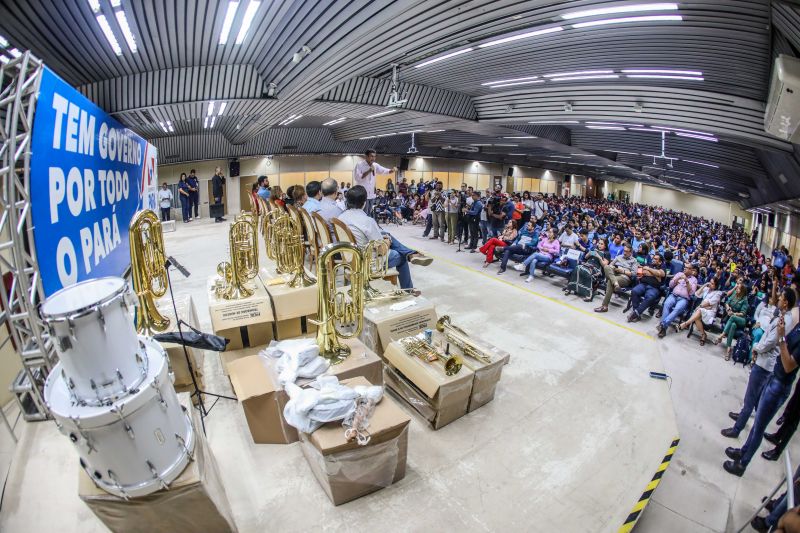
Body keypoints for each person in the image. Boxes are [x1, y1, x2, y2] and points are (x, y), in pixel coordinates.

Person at [723, 290, 799, 477]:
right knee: (757, 422)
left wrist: (781, 337)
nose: (778, 299)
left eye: (782, 298)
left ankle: (742, 464)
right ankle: (743, 451)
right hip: (774, 376)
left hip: (779, 384)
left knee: (759, 427)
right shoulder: (796, 327)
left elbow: (789, 365)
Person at [337, 186, 431, 290]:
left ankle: (411, 254)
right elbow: (382, 250)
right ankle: (408, 287)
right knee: (400, 256)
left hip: (349, 258)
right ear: (364, 202)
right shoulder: (367, 221)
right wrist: (388, 241)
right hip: (367, 262)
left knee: (385, 233)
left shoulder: (340, 218)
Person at [594, 243, 638, 313]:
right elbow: (610, 266)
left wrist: (622, 271)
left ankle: (604, 306)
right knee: (606, 266)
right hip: (614, 273)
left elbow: (634, 274)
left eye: (627, 251)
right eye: (624, 251)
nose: (625, 252)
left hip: (624, 277)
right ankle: (616, 284)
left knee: (609, 282)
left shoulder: (634, 261)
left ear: (631, 252)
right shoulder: (619, 257)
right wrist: (614, 268)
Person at [679, 277, 723, 345]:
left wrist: (700, 306)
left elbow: (709, 303)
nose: (710, 284)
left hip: (710, 314)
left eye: (712, 284)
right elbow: (697, 294)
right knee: (697, 315)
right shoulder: (706, 289)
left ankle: (685, 324)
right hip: (702, 310)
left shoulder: (718, 293)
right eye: (710, 282)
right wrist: (705, 285)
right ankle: (703, 334)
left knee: (698, 311)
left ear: (716, 286)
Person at [714, 278, 750, 360]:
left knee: (733, 318)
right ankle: (728, 350)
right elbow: (727, 302)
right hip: (732, 319)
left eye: (738, 288)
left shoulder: (745, 299)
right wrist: (728, 308)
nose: (736, 289)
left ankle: (721, 335)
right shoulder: (734, 294)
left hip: (741, 320)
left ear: (742, 291)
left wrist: (734, 313)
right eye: (737, 288)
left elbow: (743, 313)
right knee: (733, 325)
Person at [657, 265, 698, 338]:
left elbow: (691, 293)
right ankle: (663, 327)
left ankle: (663, 325)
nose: (684, 269)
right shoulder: (679, 274)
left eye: (687, 268)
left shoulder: (694, 280)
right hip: (673, 295)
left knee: (677, 309)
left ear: (691, 270)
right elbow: (670, 285)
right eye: (684, 267)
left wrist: (686, 281)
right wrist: (678, 278)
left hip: (683, 299)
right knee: (666, 304)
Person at [352, 149, 397, 215]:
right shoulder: (360, 165)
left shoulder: (375, 165)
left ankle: (368, 224)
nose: (373, 158)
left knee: (369, 213)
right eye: (371, 156)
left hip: (372, 195)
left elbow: (384, 170)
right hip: (363, 194)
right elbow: (357, 178)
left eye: (374, 156)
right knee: (364, 214)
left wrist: (392, 170)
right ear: (366, 156)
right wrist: (369, 171)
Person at [627, 253, 665, 323]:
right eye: (653, 258)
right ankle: (637, 314)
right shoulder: (649, 264)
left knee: (650, 297)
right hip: (643, 284)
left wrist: (649, 269)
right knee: (634, 291)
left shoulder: (662, 267)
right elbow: (641, 272)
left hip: (654, 288)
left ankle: (635, 313)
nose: (653, 260)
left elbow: (661, 274)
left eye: (656, 259)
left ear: (660, 262)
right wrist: (654, 274)